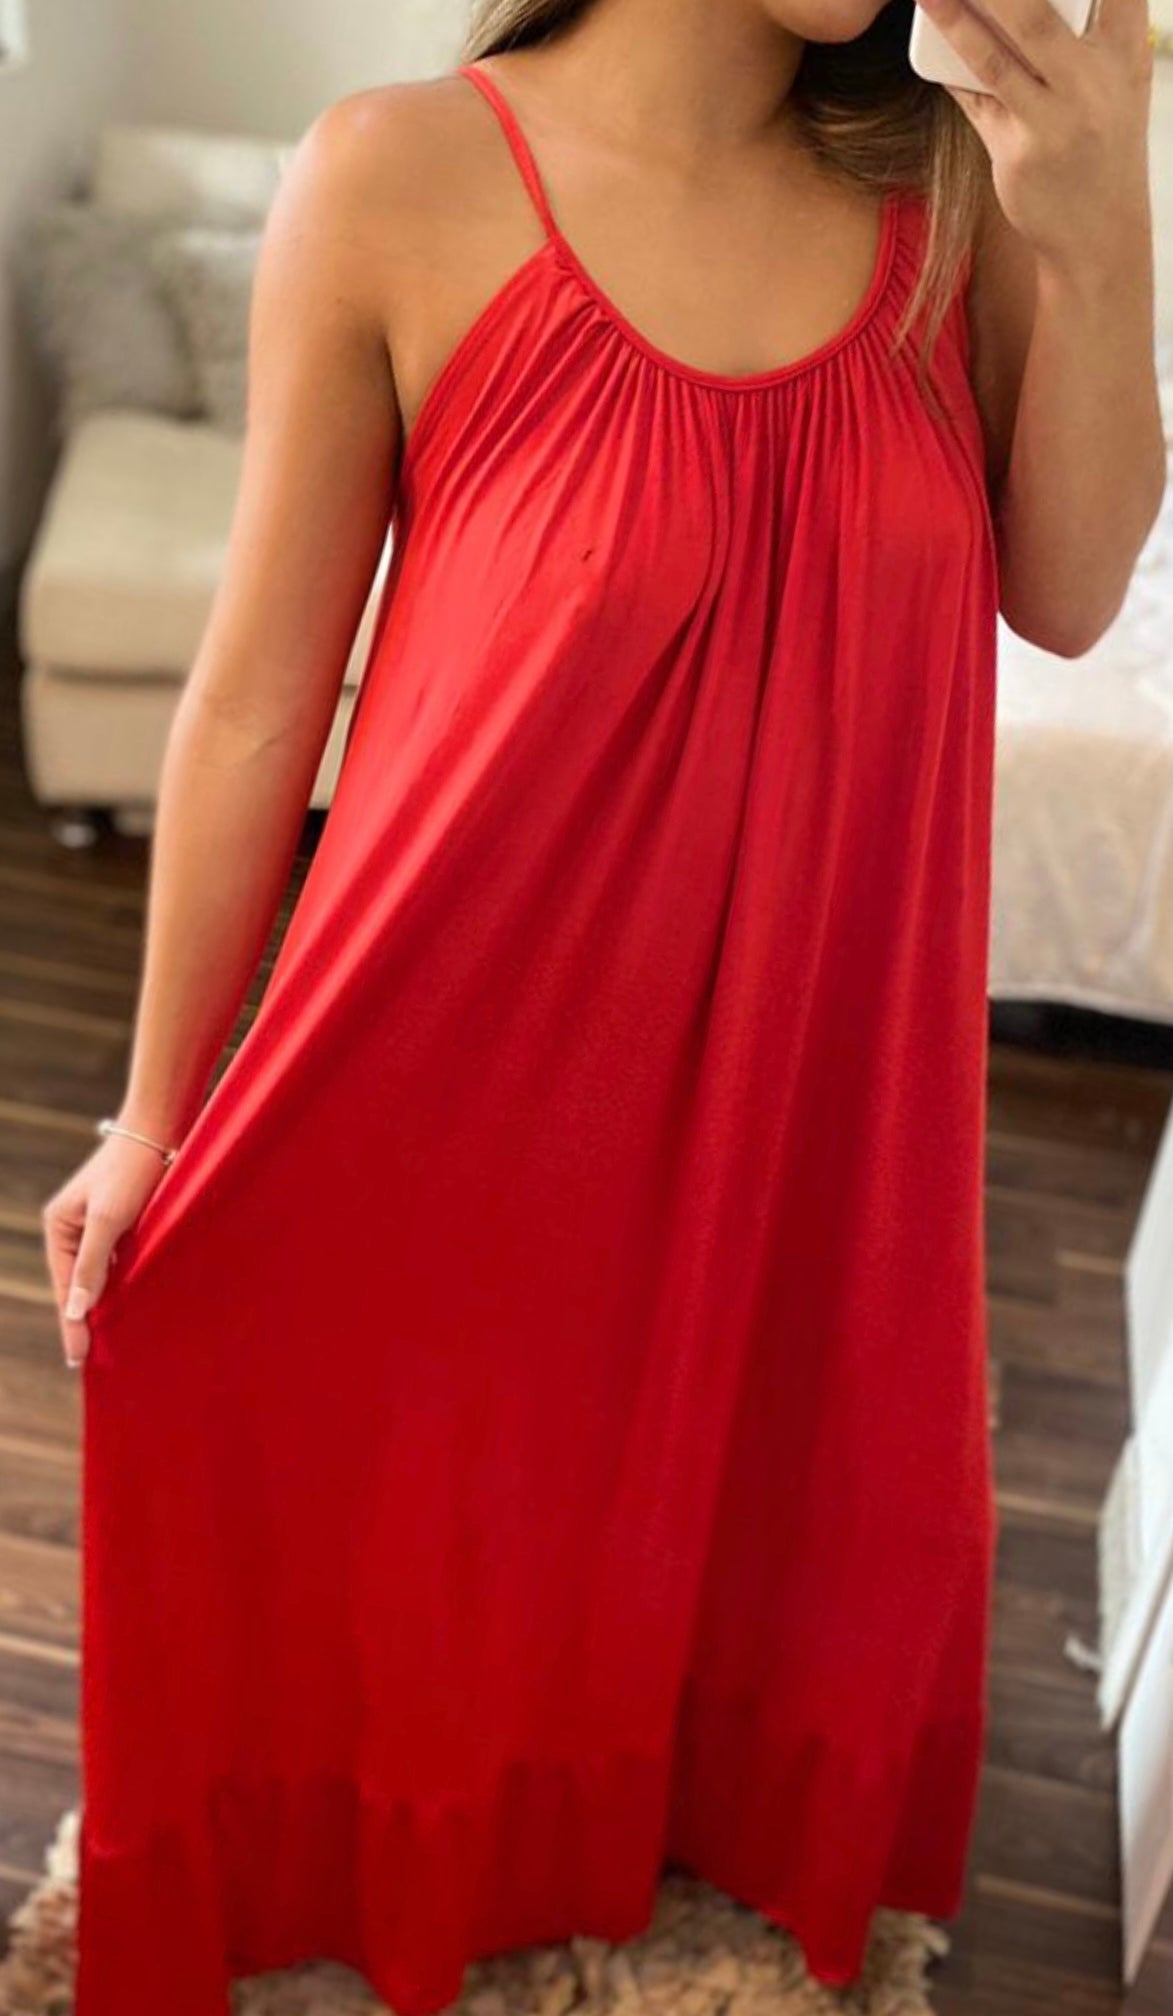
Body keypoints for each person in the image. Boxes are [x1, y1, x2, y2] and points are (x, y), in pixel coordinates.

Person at [43, 0, 1162, 2011]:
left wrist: (1096, 229)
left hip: (814, 1086)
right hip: (461, 1057)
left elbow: (1068, 596)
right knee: (450, 1507)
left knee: (767, 1501)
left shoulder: (950, 197)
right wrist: (152, 1115)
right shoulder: (395, 174)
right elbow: (258, 697)